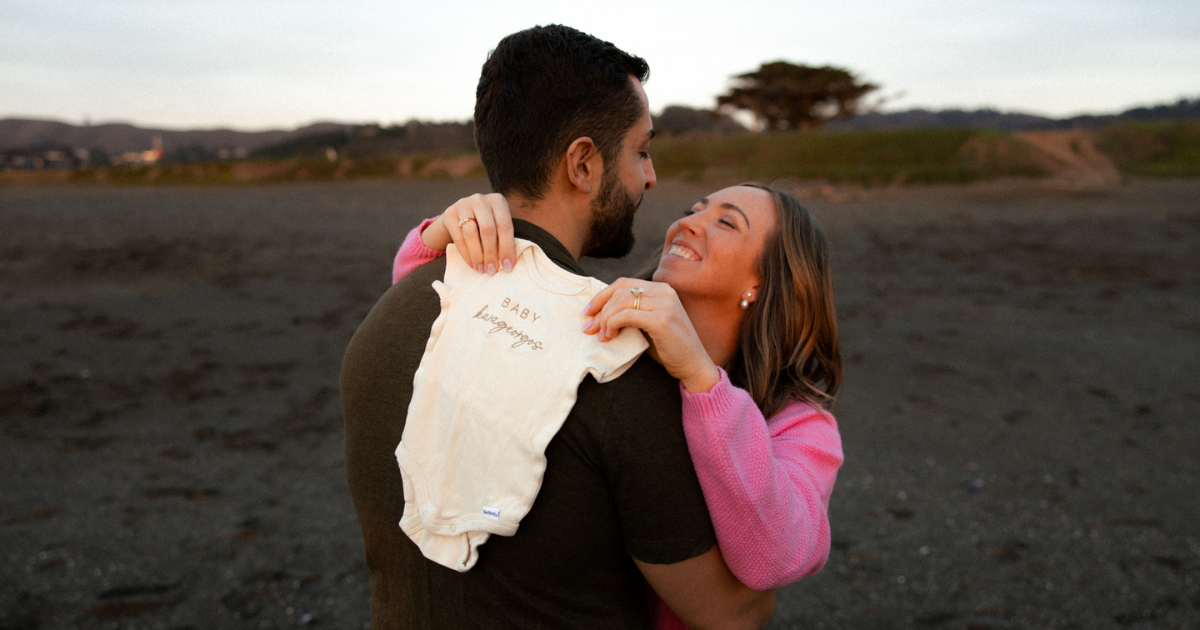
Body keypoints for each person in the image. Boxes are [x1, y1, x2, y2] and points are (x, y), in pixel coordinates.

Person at [341, 24, 775, 630]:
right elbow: (732, 613)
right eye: (641, 151)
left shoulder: (390, 314)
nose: (650, 178)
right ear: (583, 163)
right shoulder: (615, 357)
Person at [392, 183, 844, 630]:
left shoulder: (803, 427)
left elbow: (776, 556)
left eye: (725, 222)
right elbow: (438, 318)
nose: (687, 223)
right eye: (694, 209)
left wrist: (702, 380)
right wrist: (444, 232)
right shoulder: (609, 324)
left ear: (761, 282)